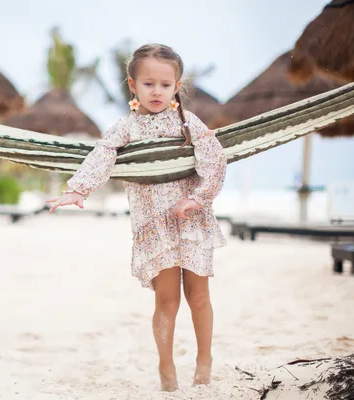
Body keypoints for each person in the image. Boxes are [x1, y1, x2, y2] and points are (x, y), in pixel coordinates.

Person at [46, 43, 227, 392]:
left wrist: (197, 198)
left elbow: (215, 162)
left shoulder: (188, 124)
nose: (156, 91)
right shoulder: (125, 128)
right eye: (148, 84)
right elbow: (103, 154)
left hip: (191, 220)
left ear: (176, 86)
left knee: (199, 295)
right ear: (133, 85)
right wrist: (78, 190)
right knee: (167, 300)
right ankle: (166, 365)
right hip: (154, 224)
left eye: (164, 84)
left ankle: (204, 360)